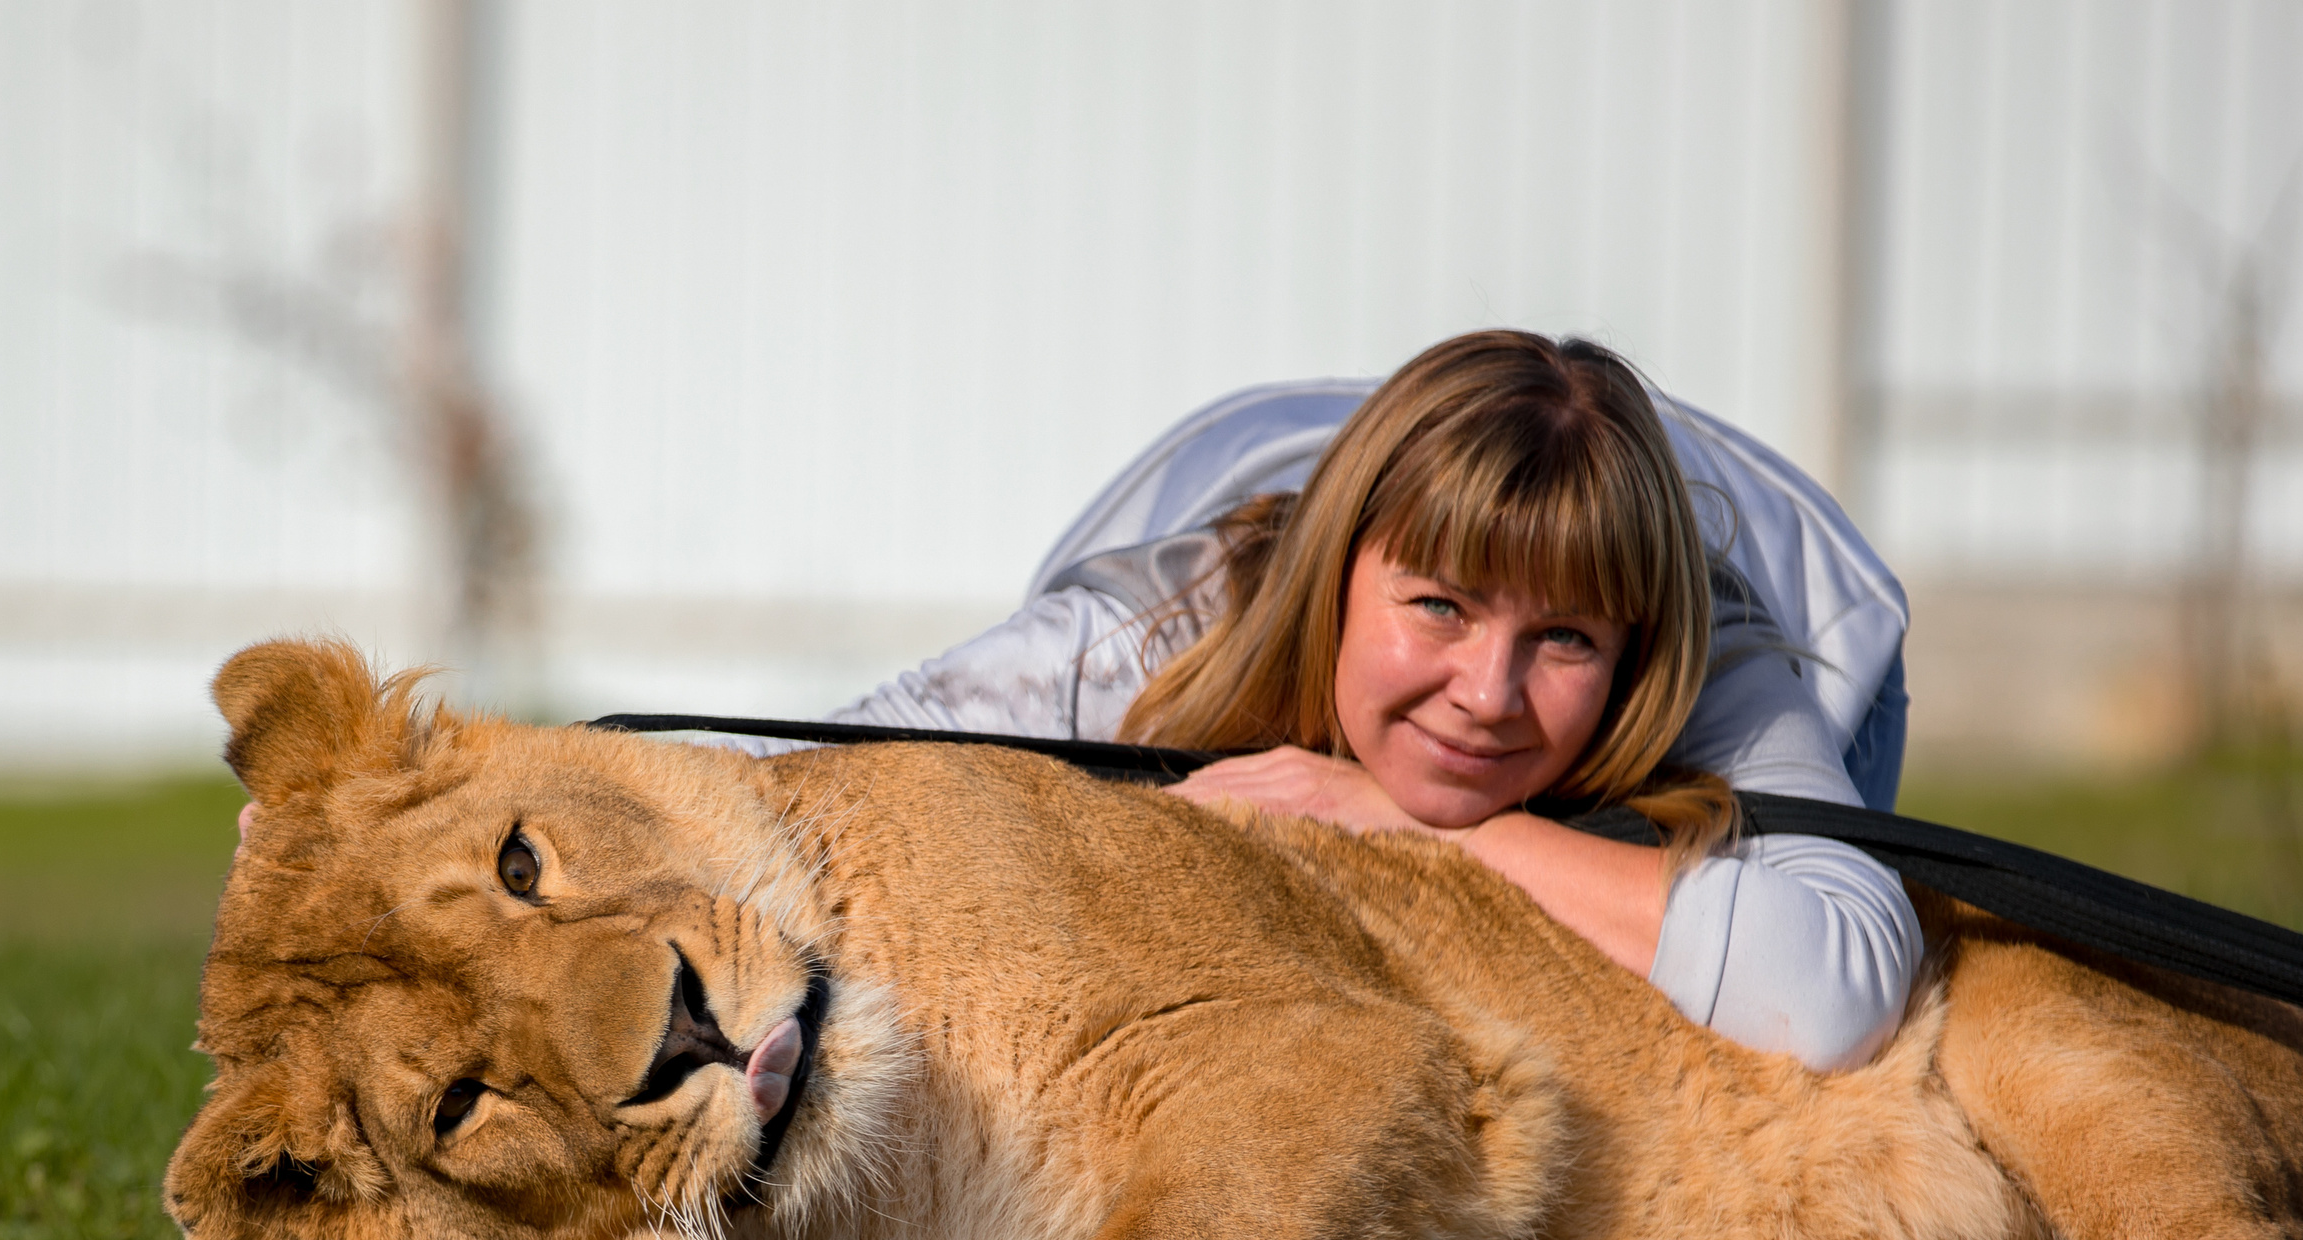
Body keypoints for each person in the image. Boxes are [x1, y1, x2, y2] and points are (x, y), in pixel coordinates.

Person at [736, 331, 1921, 1071]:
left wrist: (1400, 820)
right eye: (1441, 609)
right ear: (1337, 576)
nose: (1487, 697)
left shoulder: (1720, 657)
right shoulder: (1140, 640)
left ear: (1632, 647)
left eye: (1561, 639)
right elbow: (759, 808)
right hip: (1238, 477)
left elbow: (1826, 997)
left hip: (1813, 605)